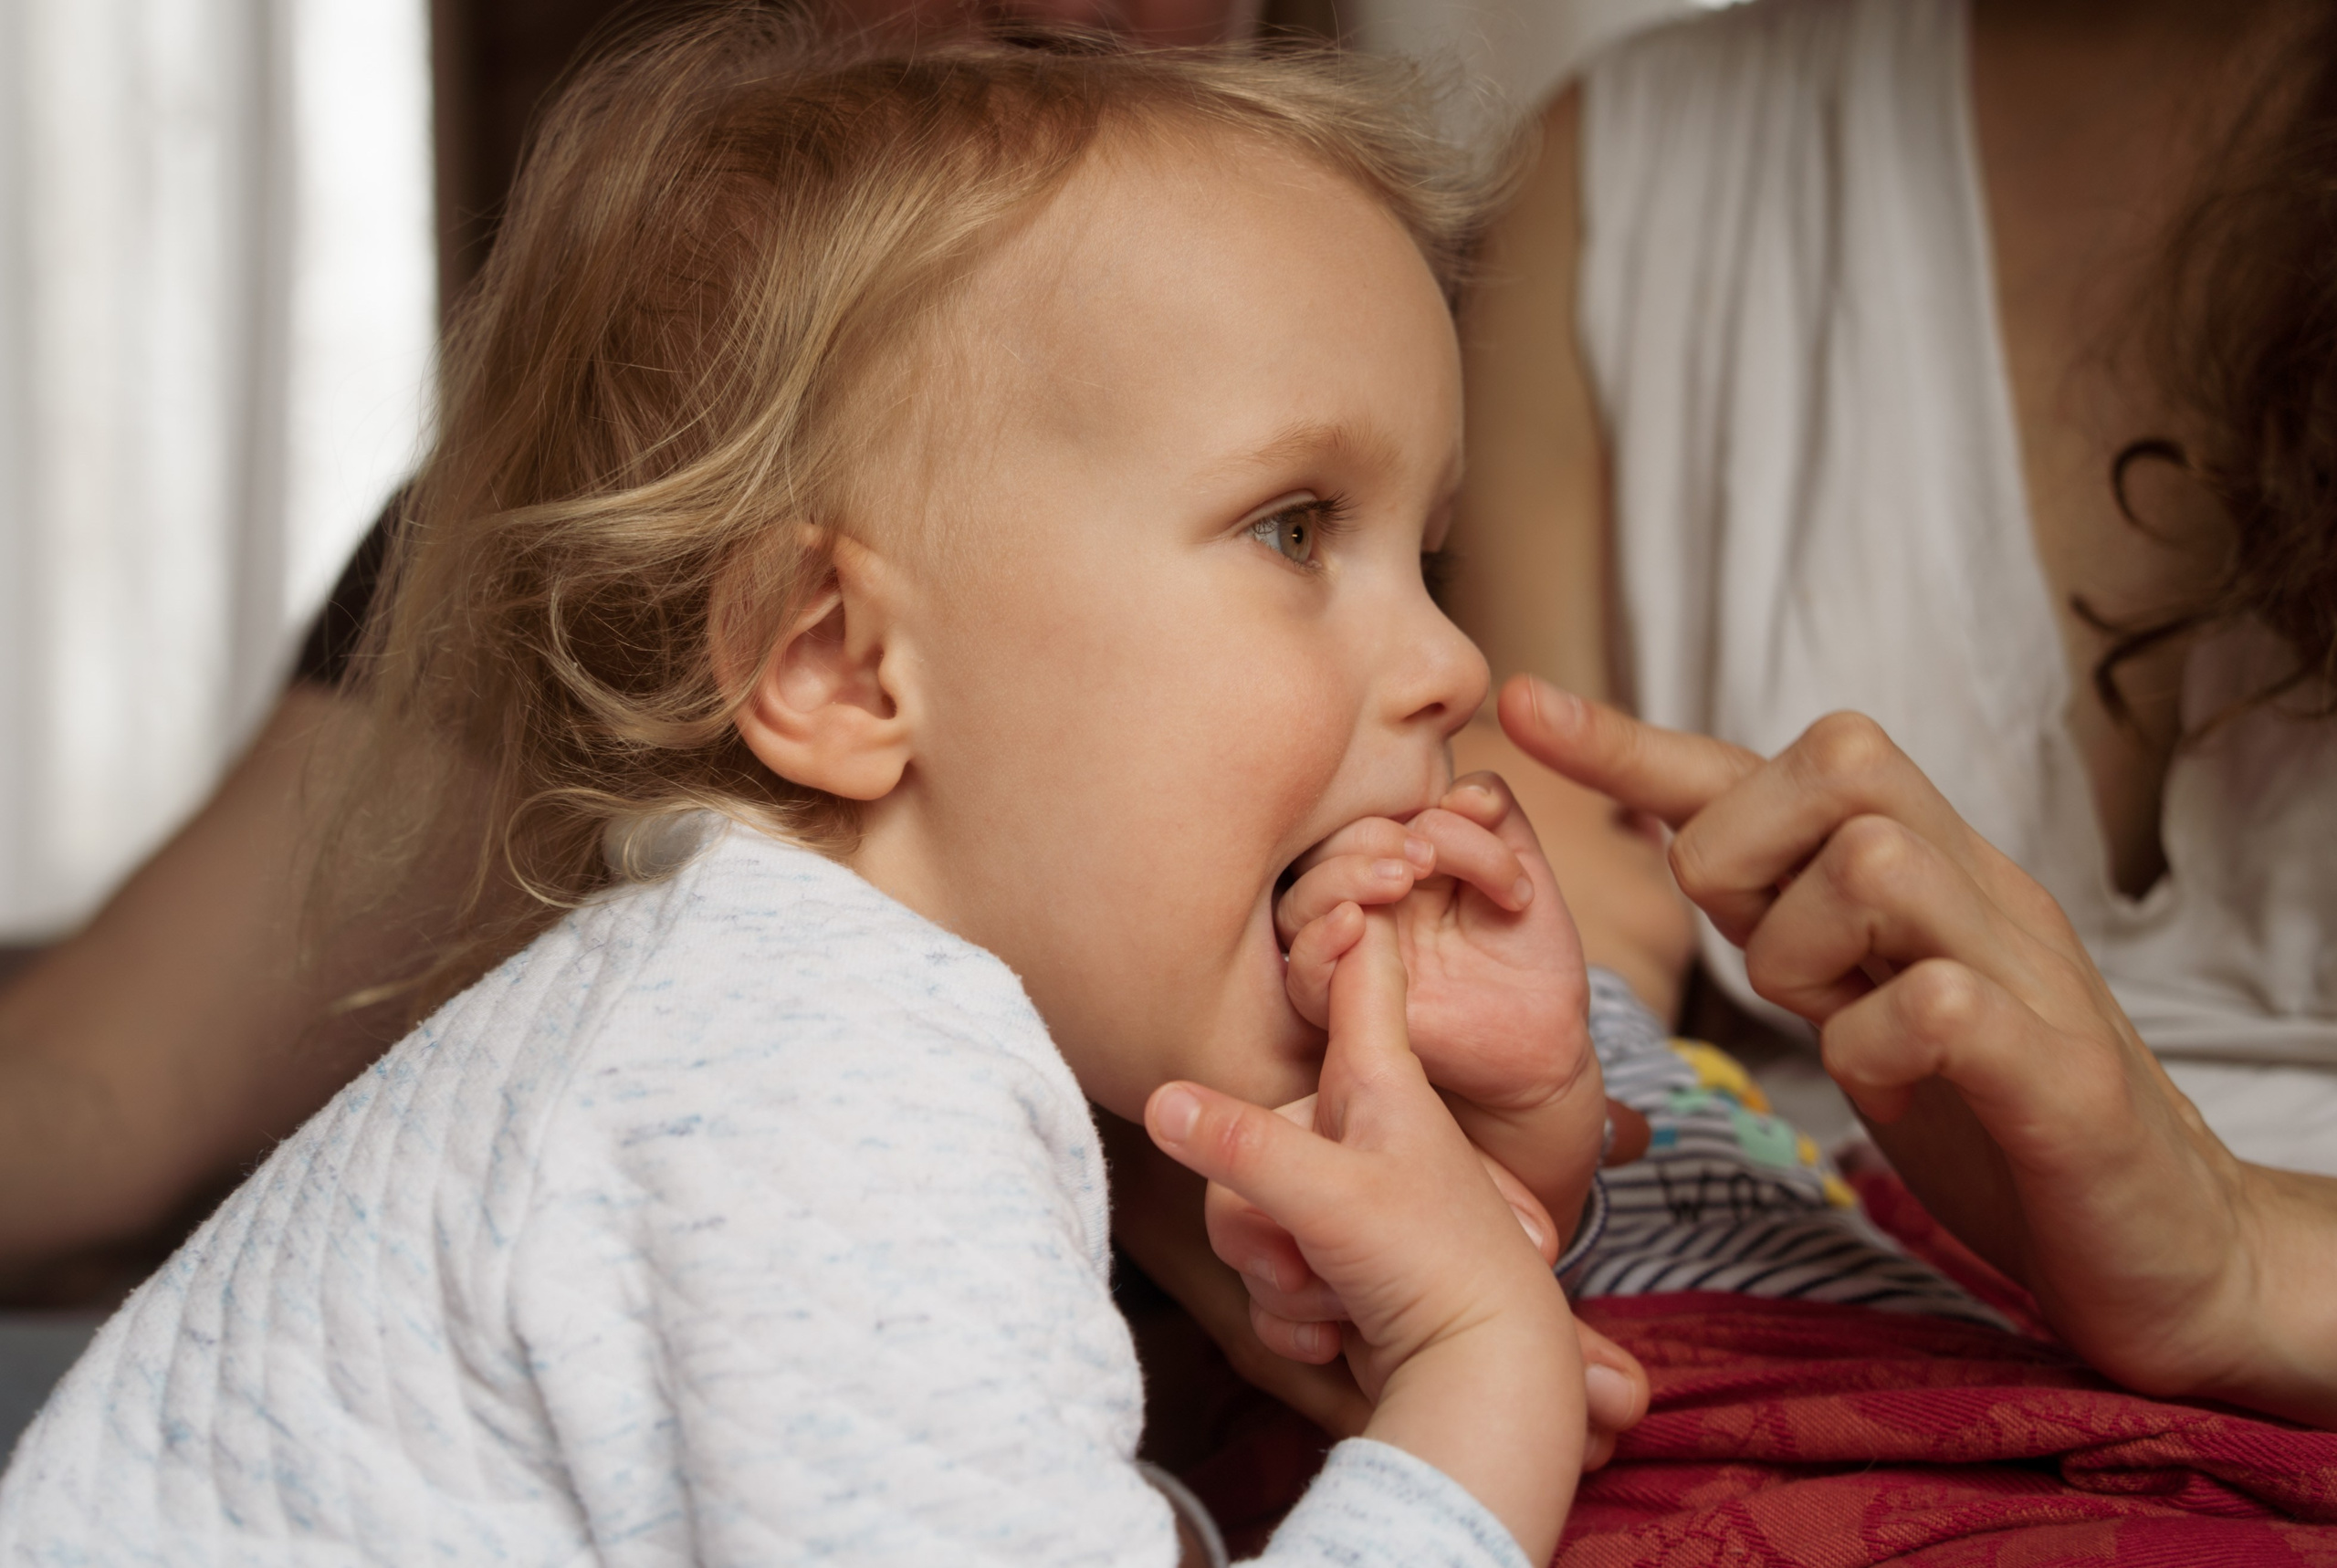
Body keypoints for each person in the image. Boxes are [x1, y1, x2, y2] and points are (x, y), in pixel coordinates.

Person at [0, 22, 1623, 1562]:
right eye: (1293, 526)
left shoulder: (778, 1011)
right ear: (836, 665)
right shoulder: (822, 1078)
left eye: (1426, 554)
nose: (1453, 665)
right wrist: (1480, 1383)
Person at [1394, 0, 2337, 1421]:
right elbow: (1570, 856)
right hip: (1816, 1298)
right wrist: (1479, 1101)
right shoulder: (1625, 172)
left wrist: (2250, 1256)